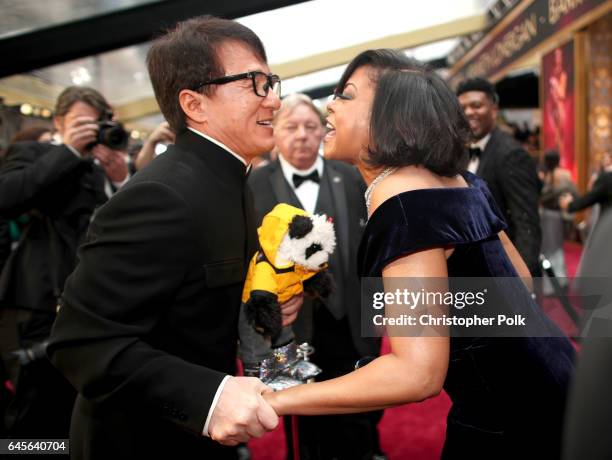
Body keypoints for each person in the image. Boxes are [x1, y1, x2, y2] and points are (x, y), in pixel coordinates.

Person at [263, 49, 575, 459]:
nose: (330, 105)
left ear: (390, 114)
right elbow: (518, 282)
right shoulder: (458, 178)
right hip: (556, 377)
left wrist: (276, 400)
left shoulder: (401, 196)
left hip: (509, 416)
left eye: (347, 95)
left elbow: (417, 374)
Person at [47, 16, 301, 460]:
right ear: (194, 104)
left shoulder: (230, 177)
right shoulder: (160, 196)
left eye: (271, 81)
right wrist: (208, 397)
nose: (274, 100)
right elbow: (80, 342)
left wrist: (258, 308)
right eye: (254, 84)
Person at [247, 93, 384, 459]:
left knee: (360, 400)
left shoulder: (351, 175)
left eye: (311, 127)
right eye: (291, 127)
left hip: (350, 313)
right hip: (288, 324)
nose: (302, 135)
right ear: (275, 132)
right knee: (299, 410)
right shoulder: (254, 185)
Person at [0, 86, 129, 439]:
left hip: (98, 310)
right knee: (36, 425)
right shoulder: (35, 152)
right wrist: (70, 150)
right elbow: (8, 196)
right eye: (80, 124)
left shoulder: (104, 162)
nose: (90, 132)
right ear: (59, 122)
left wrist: (120, 177)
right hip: (40, 309)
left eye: (96, 124)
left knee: (89, 418)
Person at [456, 78, 542, 277]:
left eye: (476, 105)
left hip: (503, 268)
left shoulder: (511, 154)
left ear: (493, 110)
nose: (469, 112)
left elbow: (526, 222)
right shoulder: (459, 152)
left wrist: (522, 280)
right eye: (463, 108)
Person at [539, 149, 576, 294]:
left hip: (548, 214)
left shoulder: (545, 176)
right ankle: (561, 280)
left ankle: (551, 286)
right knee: (557, 247)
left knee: (548, 249)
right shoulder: (564, 174)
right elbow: (573, 192)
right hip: (558, 215)